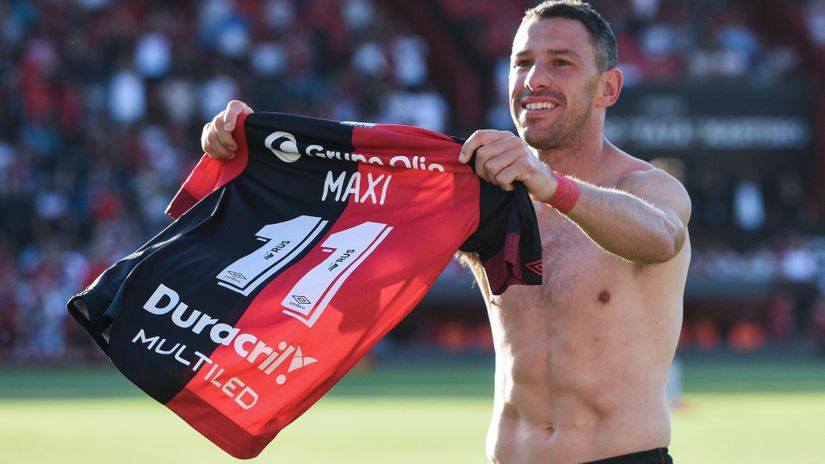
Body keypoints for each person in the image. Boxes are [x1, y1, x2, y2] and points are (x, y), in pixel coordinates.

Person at [201, 2, 690, 463]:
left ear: (608, 87)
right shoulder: (485, 192)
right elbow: (349, 194)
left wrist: (551, 186)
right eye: (522, 63)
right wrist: (252, 150)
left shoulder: (646, 188)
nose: (534, 79)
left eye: (561, 63)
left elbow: (662, 236)